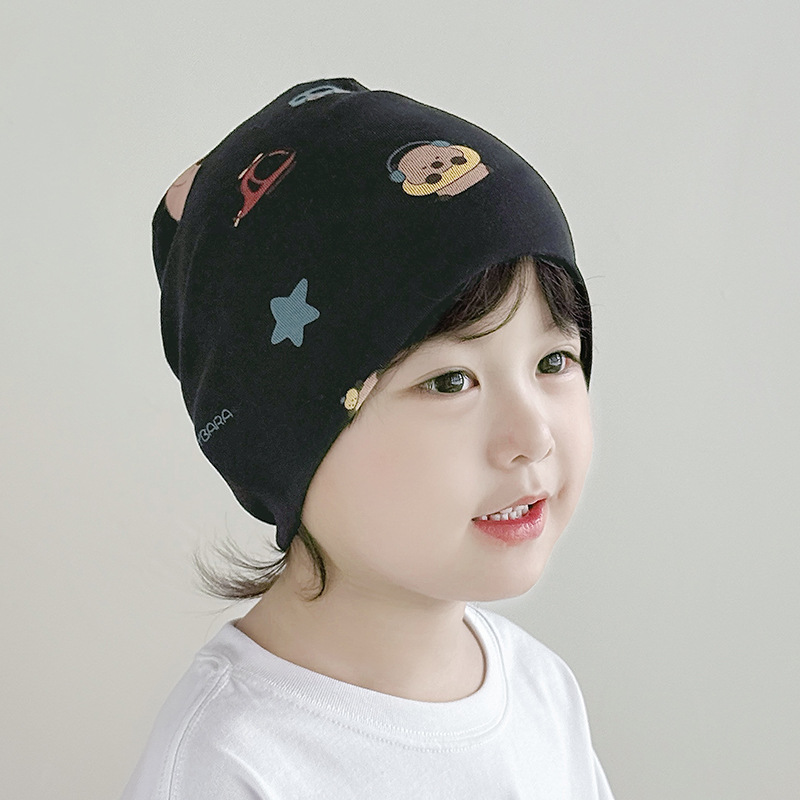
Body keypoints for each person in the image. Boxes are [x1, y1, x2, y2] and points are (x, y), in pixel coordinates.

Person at [121, 77, 616, 798]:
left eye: (554, 362)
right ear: (287, 431)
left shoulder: (541, 692)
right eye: (451, 381)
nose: (532, 436)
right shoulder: (231, 764)